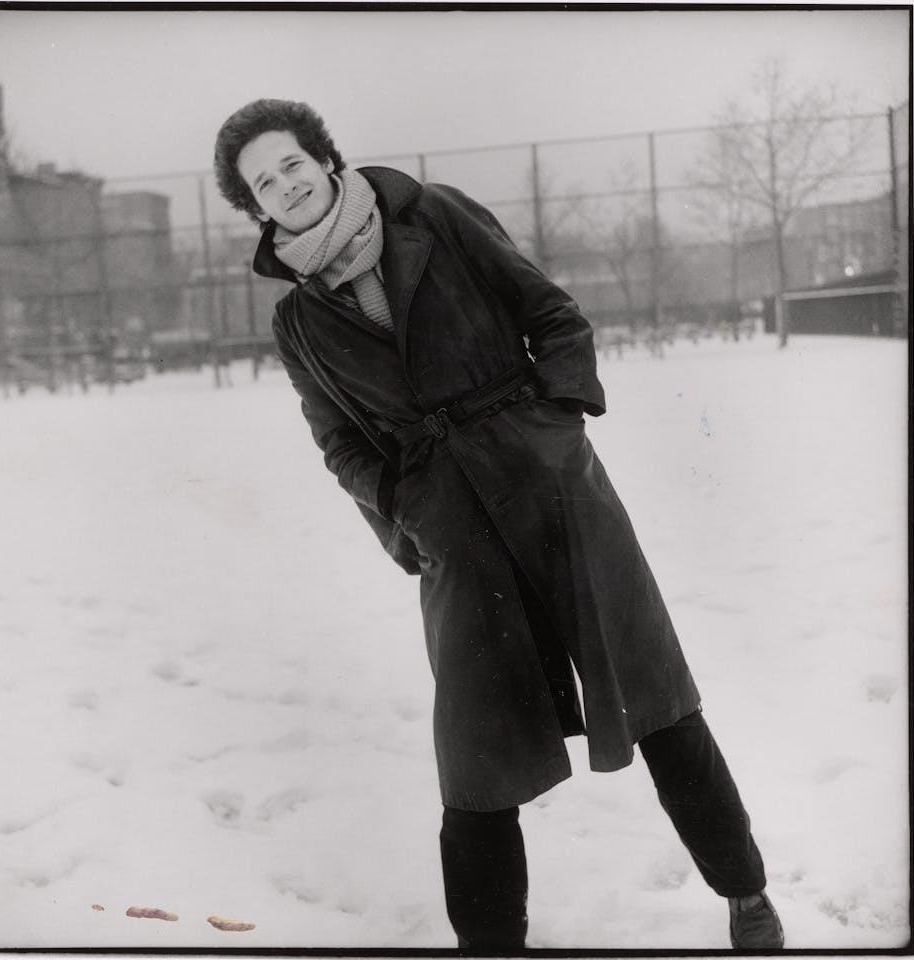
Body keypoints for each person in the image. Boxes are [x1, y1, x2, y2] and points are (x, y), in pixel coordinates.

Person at [213, 99, 784, 952]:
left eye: (291, 162)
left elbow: (550, 313)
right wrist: (407, 513)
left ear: (325, 158)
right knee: (474, 762)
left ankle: (746, 893)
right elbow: (338, 443)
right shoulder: (296, 321)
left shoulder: (436, 214)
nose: (284, 184)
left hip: (553, 490)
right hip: (451, 526)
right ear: (255, 208)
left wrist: (558, 425)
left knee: (656, 697)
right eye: (263, 183)